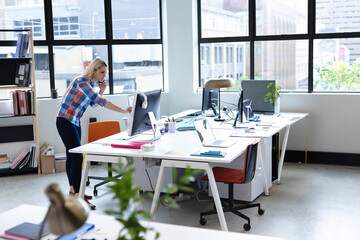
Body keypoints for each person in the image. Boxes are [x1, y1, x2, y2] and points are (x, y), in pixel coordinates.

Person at [56, 57, 132, 210]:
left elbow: (92, 103)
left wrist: (102, 90)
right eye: (102, 72)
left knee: (72, 156)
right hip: (65, 121)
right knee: (77, 157)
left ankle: (73, 192)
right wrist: (122, 110)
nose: (104, 76)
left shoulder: (90, 84)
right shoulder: (82, 82)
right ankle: (78, 196)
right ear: (94, 70)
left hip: (74, 121)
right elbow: (100, 101)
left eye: (105, 73)